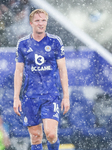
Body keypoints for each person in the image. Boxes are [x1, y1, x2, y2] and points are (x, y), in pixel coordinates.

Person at [13, 9, 70, 150]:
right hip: (30, 96)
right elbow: (19, 71)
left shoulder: (55, 41)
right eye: (37, 20)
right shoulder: (23, 44)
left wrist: (66, 96)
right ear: (31, 23)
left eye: (43, 20)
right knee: (36, 137)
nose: (41, 23)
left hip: (50, 96)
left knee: (50, 134)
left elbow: (62, 70)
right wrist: (16, 97)